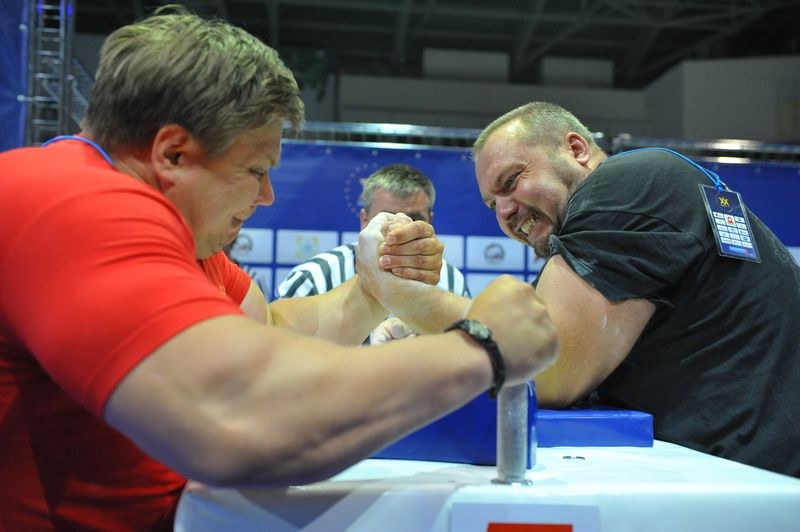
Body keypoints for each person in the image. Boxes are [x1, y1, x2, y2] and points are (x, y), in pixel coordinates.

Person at [0, 8, 558, 529]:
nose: (267, 195)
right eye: (255, 169)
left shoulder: (178, 237)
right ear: (172, 154)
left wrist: (373, 286)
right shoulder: (71, 204)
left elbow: (262, 332)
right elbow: (240, 417)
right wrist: (482, 346)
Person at [470, 101, 800, 477]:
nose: (503, 211)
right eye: (490, 203)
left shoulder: (625, 184)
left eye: (511, 182)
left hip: (752, 489)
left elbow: (546, 371)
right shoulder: (610, 217)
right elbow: (521, 338)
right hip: (732, 478)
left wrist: (416, 299)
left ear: (576, 149)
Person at [276, 163, 471, 343]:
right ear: (364, 220)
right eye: (387, 218)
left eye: (413, 219)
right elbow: (277, 362)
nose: (401, 228)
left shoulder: (452, 281)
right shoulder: (312, 278)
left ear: (430, 221)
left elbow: (472, 362)